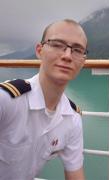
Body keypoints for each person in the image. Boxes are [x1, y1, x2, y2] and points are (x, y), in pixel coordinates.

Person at [0, 19, 88, 180]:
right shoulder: (6, 100)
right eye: (57, 44)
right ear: (39, 50)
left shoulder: (72, 118)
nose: (67, 56)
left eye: (77, 50)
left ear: (82, 61)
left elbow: (75, 173)